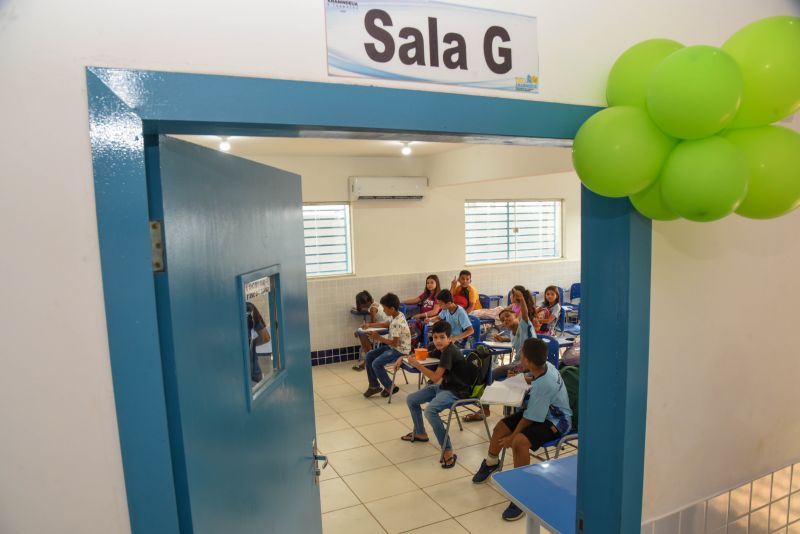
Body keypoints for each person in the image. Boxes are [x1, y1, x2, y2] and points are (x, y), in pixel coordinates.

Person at [471, 337, 572, 521]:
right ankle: (491, 463)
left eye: (522, 354)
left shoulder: (544, 384)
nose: (520, 356)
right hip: (542, 411)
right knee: (501, 427)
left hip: (558, 421)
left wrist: (513, 437)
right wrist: (521, 379)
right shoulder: (544, 366)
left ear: (527, 360)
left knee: (519, 442)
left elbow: (530, 418)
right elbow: (533, 382)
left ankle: (521, 494)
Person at [399, 320, 479, 468]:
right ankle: (421, 433)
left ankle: (448, 450)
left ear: (450, 338)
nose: (438, 341)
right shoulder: (441, 349)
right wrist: (402, 358)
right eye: (435, 337)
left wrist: (416, 365)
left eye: (442, 337)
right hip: (444, 386)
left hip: (456, 391)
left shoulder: (449, 351)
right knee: (412, 399)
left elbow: (435, 377)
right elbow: (422, 355)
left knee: (430, 411)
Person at [465, 287, 535, 421]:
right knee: (491, 375)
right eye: (502, 320)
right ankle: (485, 409)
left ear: (516, 315)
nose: (505, 320)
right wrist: (505, 339)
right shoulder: (513, 333)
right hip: (518, 363)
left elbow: (525, 315)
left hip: (528, 365)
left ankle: (507, 414)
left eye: (508, 316)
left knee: (501, 377)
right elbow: (516, 340)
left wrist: (522, 300)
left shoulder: (524, 325)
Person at [362, 293, 412, 398]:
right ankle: (374, 386)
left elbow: (395, 343)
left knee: (376, 363)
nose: (383, 311)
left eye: (385, 308)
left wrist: (378, 338)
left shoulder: (397, 323)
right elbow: (385, 324)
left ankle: (390, 387)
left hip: (400, 351)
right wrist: (369, 325)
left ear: (392, 308)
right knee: (369, 355)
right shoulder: (397, 314)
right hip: (393, 347)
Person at [352, 290, 390, 371]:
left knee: (361, 334)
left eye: (361, 305)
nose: (362, 307)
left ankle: (369, 359)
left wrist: (360, 329)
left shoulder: (373, 308)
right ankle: (368, 359)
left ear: (366, 303)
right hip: (382, 327)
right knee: (361, 333)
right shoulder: (374, 303)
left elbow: (373, 323)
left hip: (386, 329)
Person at [404, 274, 441, 342]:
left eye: (432, 282)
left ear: (437, 283)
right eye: (427, 283)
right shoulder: (426, 294)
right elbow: (415, 300)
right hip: (422, 319)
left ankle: (419, 343)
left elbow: (435, 312)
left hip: (432, 320)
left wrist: (420, 315)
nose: (429, 284)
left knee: (414, 325)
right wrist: (401, 302)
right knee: (408, 322)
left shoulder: (438, 295)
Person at [246, 302, 271, 383]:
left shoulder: (248, 307)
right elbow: (265, 337)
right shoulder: (248, 307)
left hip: (253, 368)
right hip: (254, 370)